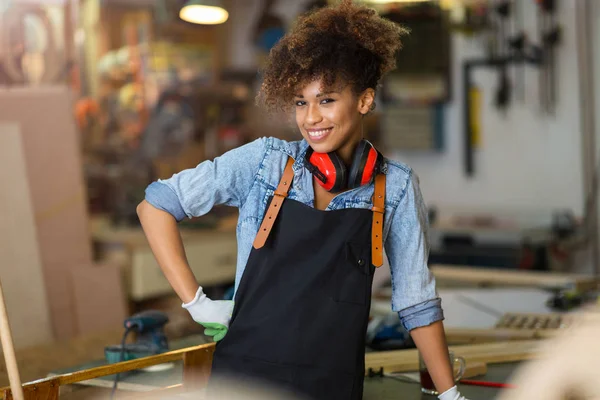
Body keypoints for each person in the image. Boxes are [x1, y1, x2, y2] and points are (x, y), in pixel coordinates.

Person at [136, 1, 468, 399]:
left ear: (364, 100)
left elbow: (417, 303)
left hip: (331, 386)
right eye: (300, 102)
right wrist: (197, 302)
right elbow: (155, 205)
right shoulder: (266, 162)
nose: (311, 117)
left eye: (326, 100)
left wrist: (448, 394)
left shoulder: (394, 187)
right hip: (242, 384)